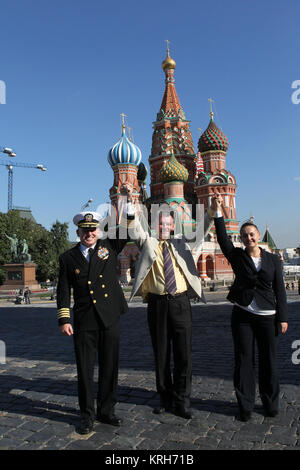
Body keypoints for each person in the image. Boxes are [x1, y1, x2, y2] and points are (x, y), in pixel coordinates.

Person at [126, 190, 214, 419]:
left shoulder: (183, 242)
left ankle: (182, 400)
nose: (164, 227)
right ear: (156, 226)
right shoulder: (148, 242)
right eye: (160, 224)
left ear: (173, 226)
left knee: (184, 354)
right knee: (161, 354)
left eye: (168, 223)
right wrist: (128, 202)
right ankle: (165, 398)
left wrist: (213, 209)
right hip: (157, 305)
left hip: (181, 303)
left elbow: (202, 229)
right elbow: (134, 228)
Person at [211, 193, 288, 422]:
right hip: (243, 315)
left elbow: (281, 290)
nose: (248, 238)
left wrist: (282, 317)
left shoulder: (273, 260)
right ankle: (245, 406)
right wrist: (217, 211)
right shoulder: (236, 256)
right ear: (242, 239)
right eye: (244, 236)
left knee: (269, 361)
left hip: (267, 316)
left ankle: (270, 403)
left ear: (257, 236)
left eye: (251, 234)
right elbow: (223, 238)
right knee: (244, 361)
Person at [56, 208, 131, 435]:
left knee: (110, 367)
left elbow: (127, 228)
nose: (90, 233)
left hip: (109, 317)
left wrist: (127, 201)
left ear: (98, 231)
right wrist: (64, 319)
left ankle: (106, 411)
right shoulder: (68, 258)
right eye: (85, 230)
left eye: (93, 230)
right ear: (78, 232)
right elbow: (63, 290)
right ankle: (87, 416)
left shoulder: (108, 247)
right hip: (85, 320)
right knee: (85, 371)